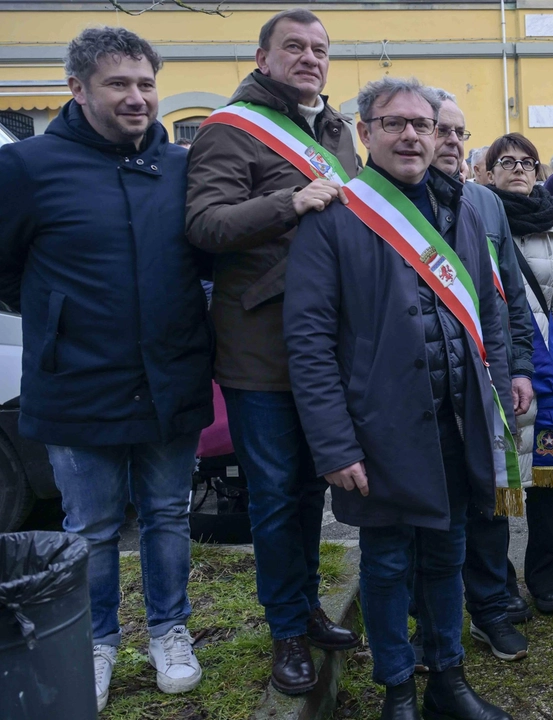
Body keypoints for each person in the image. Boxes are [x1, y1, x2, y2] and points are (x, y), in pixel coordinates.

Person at [285, 76, 514, 720]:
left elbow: (488, 321)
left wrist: (494, 407)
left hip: (457, 423)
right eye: (394, 123)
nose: (412, 134)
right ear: (365, 133)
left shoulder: (463, 213)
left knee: (449, 554)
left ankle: (448, 679)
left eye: (425, 124)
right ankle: (398, 691)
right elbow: (308, 343)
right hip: (378, 430)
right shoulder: (332, 218)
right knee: (386, 566)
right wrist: (333, 444)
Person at [0, 27, 212, 711]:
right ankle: (93, 640)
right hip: (77, 378)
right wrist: (58, 318)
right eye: (119, 83)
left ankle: (169, 630)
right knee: (88, 524)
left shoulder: (181, 166)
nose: (137, 97)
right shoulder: (28, 167)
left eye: (146, 84)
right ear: (77, 88)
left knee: (167, 513)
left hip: (169, 373)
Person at [185, 8, 362, 693]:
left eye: (320, 48)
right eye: (295, 46)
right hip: (261, 349)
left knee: (310, 488)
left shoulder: (336, 128)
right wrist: (291, 201)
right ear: (264, 57)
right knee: (273, 497)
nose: (310, 57)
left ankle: (308, 606)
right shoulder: (230, 129)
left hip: (326, 346)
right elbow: (204, 225)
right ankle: (284, 628)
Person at [429, 88, 535, 660]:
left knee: (489, 497)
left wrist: (518, 365)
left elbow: (509, 294)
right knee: (432, 507)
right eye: (439, 128)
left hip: (486, 376)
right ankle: (433, 620)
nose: (448, 141)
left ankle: (493, 607)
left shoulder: (485, 203)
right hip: (426, 382)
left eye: (457, 132)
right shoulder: (385, 205)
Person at [486, 132, 553, 616]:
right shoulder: (474, 221)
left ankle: (546, 578)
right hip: (491, 369)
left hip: (546, 374)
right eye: (506, 161)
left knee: (544, 485)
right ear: (487, 172)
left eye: (527, 161)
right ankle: (499, 585)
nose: (518, 169)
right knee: (497, 484)